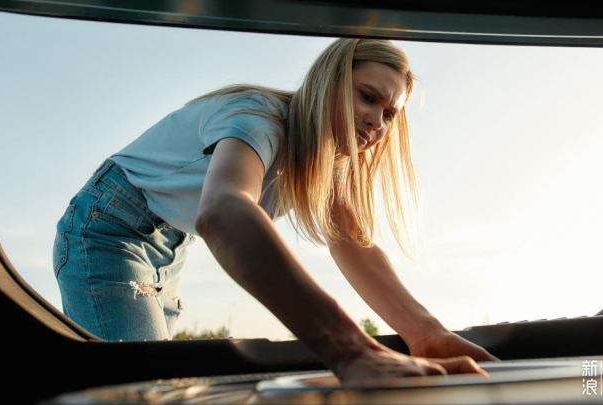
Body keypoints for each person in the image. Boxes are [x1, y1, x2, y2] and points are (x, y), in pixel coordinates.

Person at [53, 38, 498, 383]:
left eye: (389, 114)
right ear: (328, 80)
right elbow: (223, 212)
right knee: (144, 386)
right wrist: (349, 350)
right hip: (108, 226)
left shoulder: (327, 162)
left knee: (165, 380)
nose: (377, 124)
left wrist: (425, 333)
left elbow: (355, 247)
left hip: (169, 245)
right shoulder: (258, 119)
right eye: (367, 97)